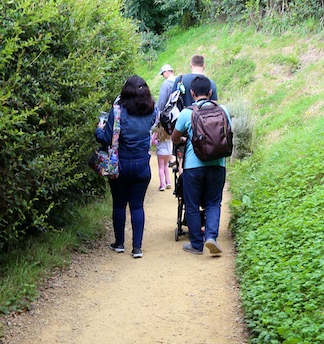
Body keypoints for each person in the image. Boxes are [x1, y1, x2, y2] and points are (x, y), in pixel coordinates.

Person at [96, 75, 158, 259]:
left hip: (120, 164)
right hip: (141, 164)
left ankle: (119, 243)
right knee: (138, 206)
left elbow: (106, 138)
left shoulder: (118, 111)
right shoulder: (152, 110)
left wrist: (99, 128)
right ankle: (137, 248)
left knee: (119, 204)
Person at [170, 75, 231, 257]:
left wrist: (183, 138)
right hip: (218, 164)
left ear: (192, 93)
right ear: (211, 92)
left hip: (193, 166)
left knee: (192, 204)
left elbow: (174, 138)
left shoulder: (187, 113)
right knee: (213, 203)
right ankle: (211, 237)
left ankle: (196, 244)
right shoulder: (223, 110)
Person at [153, 64, 176, 191]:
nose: (163, 76)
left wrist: (158, 117)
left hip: (167, 117)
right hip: (177, 118)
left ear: (167, 72)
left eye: (163, 74)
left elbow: (161, 103)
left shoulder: (166, 84)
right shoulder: (179, 81)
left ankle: (163, 183)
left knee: (161, 166)